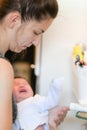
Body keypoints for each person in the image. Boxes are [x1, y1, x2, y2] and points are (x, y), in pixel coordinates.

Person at [0, 0, 69, 130]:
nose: (36, 42)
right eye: (36, 32)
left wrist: (42, 121)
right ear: (14, 20)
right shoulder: (2, 68)